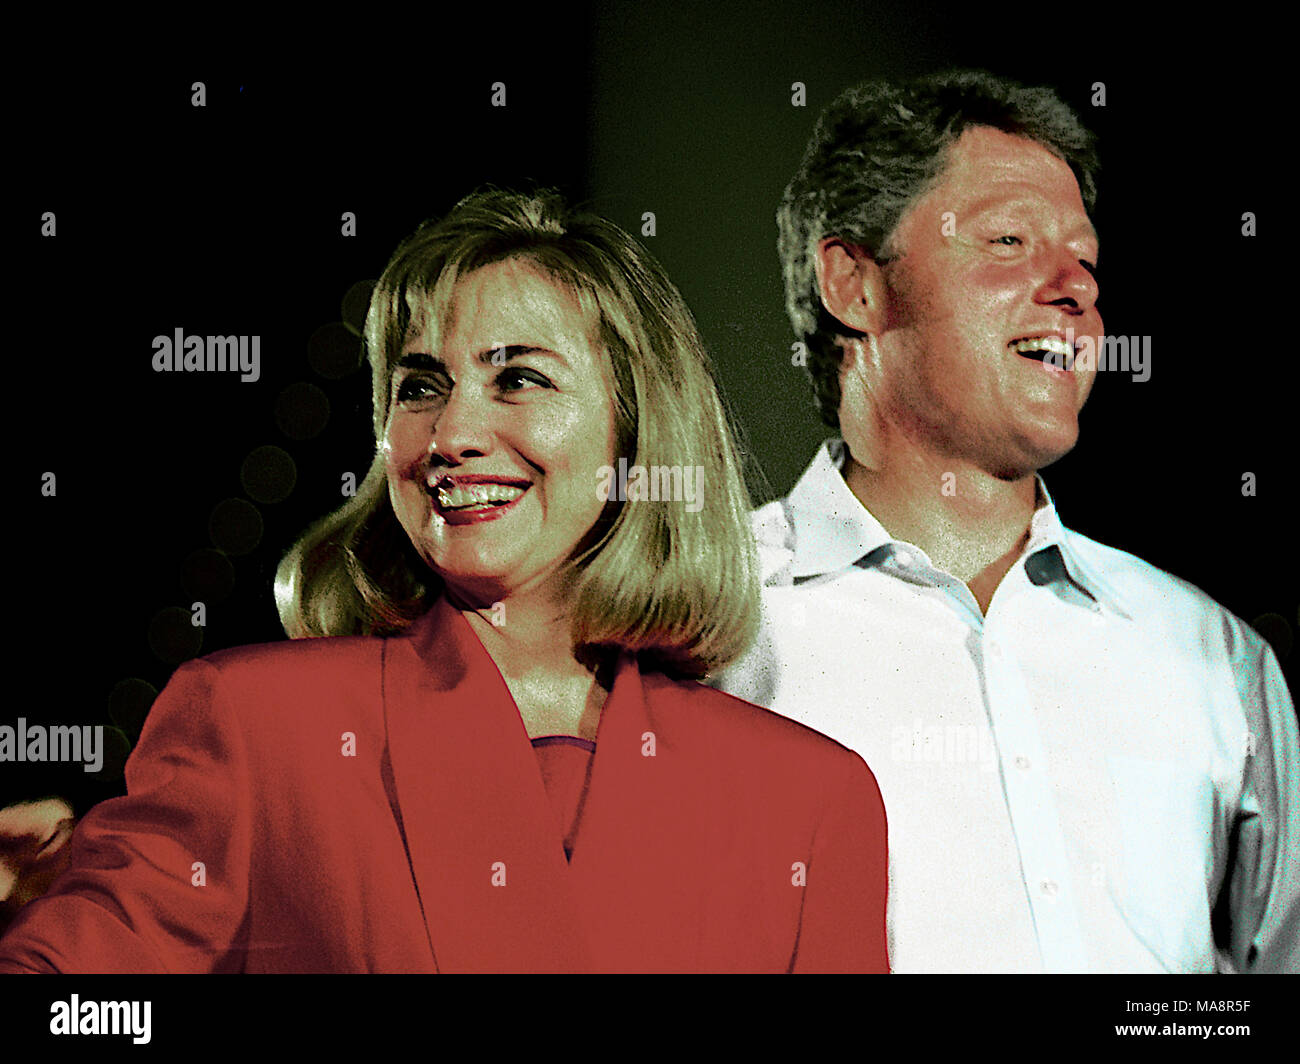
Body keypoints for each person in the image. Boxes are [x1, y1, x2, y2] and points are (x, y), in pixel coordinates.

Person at [0, 189, 888, 974]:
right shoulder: (257, 729)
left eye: (520, 379)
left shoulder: (810, 801)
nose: (452, 431)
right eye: (421, 385)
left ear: (635, 429)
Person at [714, 70, 1299, 973]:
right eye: (1010, 240)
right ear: (854, 285)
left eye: (1088, 262)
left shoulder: (1214, 659)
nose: (1075, 291)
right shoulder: (704, 627)